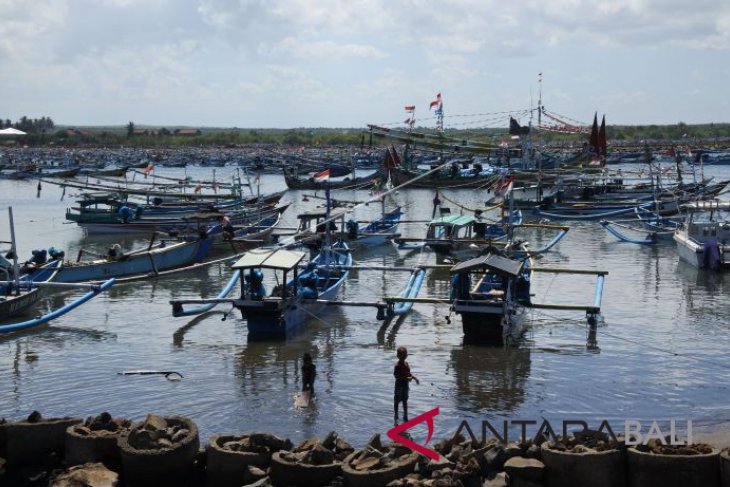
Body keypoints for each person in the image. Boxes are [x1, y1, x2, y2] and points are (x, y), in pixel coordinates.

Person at [393, 346, 419, 425]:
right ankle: (396, 415)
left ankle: (405, 415)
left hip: (405, 386)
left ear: (406, 356)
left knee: (405, 400)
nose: (403, 357)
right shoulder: (397, 366)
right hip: (399, 386)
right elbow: (396, 376)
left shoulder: (406, 364)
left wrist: (414, 378)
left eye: (404, 355)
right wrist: (406, 378)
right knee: (397, 401)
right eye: (401, 355)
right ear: (397, 356)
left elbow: (409, 373)